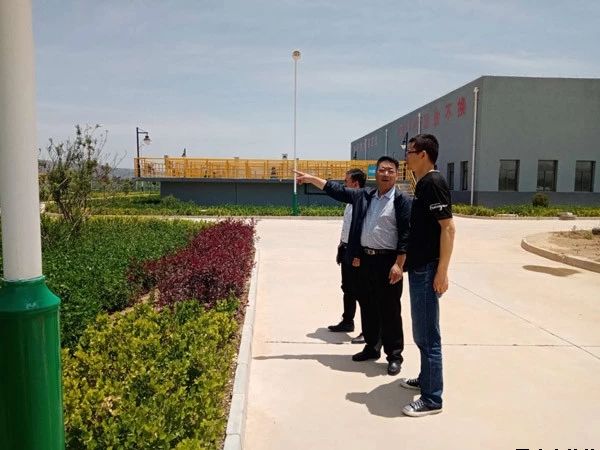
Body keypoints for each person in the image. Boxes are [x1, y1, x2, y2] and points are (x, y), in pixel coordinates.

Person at [294, 156, 411, 376]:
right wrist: (312, 179)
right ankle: (372, 347)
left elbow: (406, 234)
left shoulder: (401, 200)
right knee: (368, 306)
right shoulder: (364, 195)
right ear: (376, 173)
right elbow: (337, 190)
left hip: (388, 262)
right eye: (382, 170)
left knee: (390, 310)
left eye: (390, 170)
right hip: (365, 261)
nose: (386, 174)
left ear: (397, 175)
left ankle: (394, 355)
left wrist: (399, 264)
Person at [399, 133, 456, 417]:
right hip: (419, 267)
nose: (406, 157)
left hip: (428, 269)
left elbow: (448, 228)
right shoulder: (423, 184)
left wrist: (442, 272)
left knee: (428, 334)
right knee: (421, 331)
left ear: (423, 155)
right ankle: (426, 378)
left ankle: (432, 398)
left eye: (409, 151)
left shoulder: (433, 183)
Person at [328, 168, 366, 345]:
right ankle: (347, 321)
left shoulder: (363, 202)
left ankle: (367, 330)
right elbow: (347, 227)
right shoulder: (349, 202)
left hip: (356, 253)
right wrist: (340, 247)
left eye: (346, 181)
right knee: (348, 288)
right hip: (345, 249)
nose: (344, 184)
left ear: (355, 184)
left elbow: (362, 231)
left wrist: (358, 254)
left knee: (362, 292)